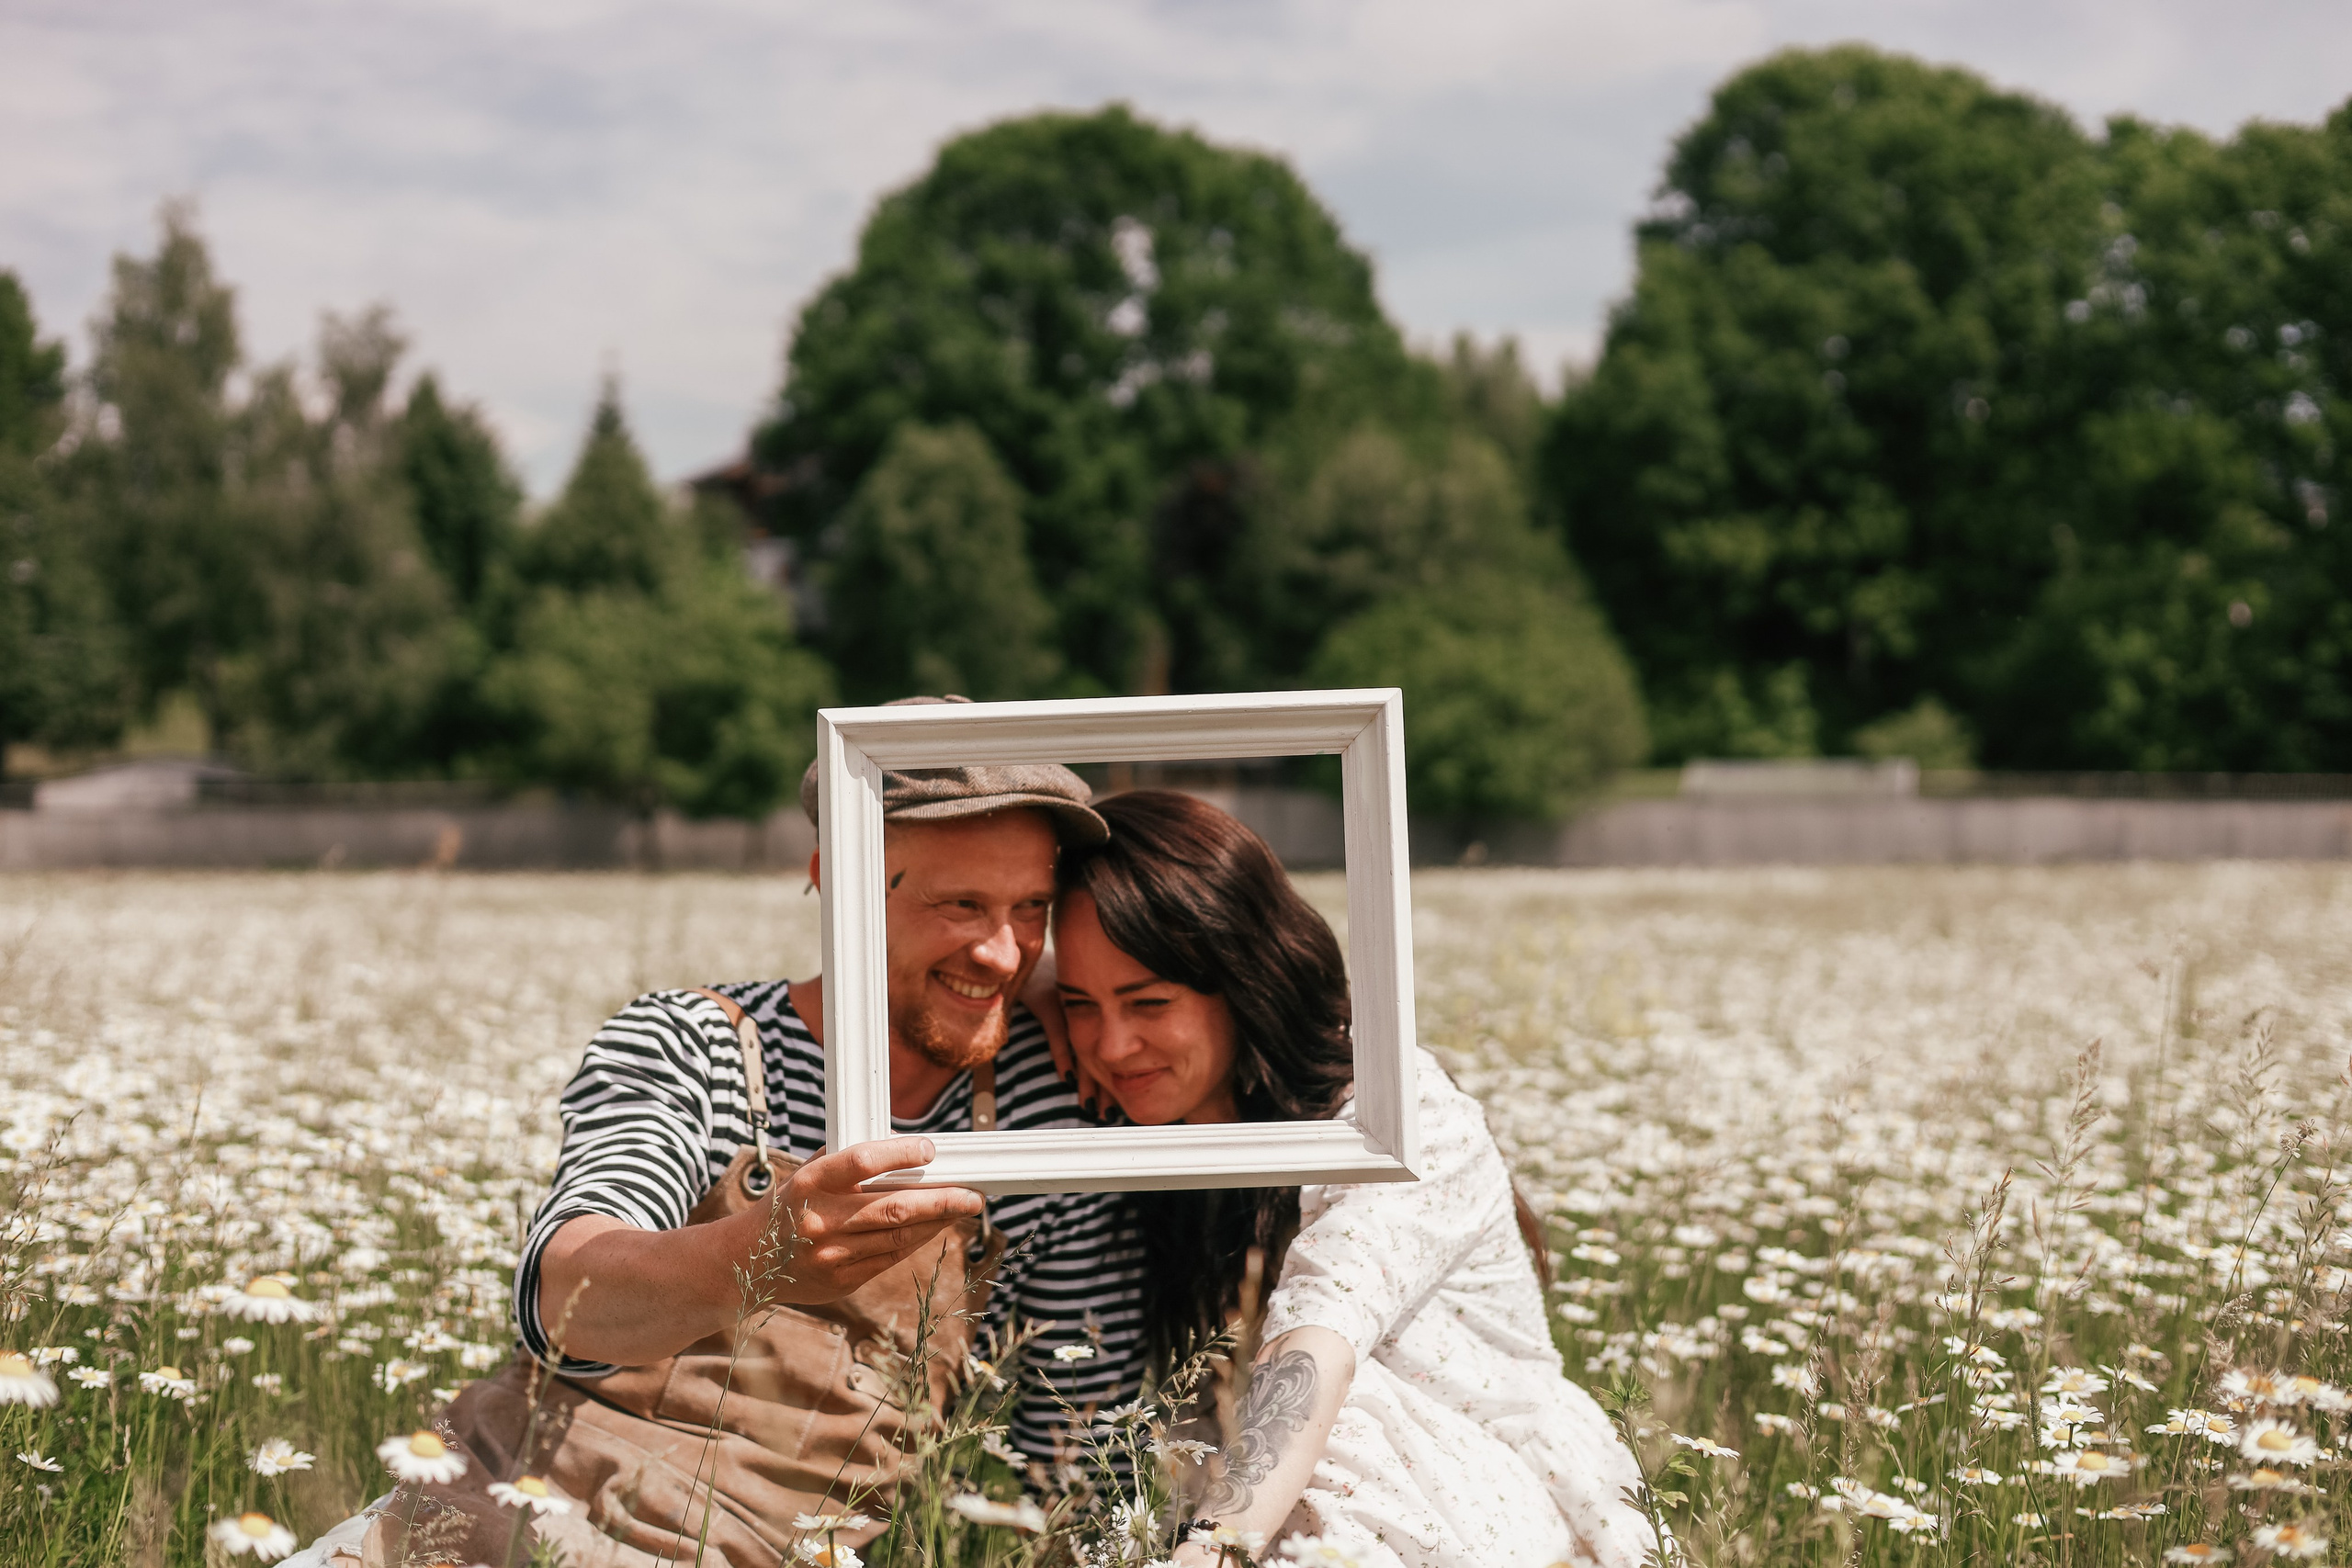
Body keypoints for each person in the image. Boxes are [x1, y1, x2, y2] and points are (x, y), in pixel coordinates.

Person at [296, 716, 1147, 1567]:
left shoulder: (1049, 1103)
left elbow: (1075, 1444)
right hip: (494, 1513)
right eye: (960, 904)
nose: (1002, 952)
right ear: (837, 886)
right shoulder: (693, 1042)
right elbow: (566, 1293)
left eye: (1029, 909)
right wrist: (756, 1260)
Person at [1046, 790, 1654, 1568]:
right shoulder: (1157, 1132)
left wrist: (1216, 1549)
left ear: (1243, 977)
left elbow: (1318, 1346)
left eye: (1149, 1002)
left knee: (1340, 1417)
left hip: (1471, 1499)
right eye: (1079, 1004)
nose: (1112, 1043)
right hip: (1268, 1489)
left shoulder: (1398, 1111)